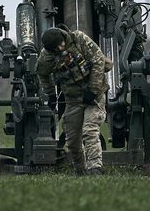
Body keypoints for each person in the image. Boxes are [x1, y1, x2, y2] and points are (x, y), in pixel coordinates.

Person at [36, 25, 111, 176]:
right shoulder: (47, 56)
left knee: (89, 130)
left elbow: (98, 61)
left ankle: (95, 168)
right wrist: (51, 94)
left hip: (94, 97)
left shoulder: (78, 39)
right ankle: (80, 170)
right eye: (57, 48)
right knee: (72, 139)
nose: (61, 48)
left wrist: (93, 90)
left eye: (62, 44)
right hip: (73, 100)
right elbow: (42, 73)